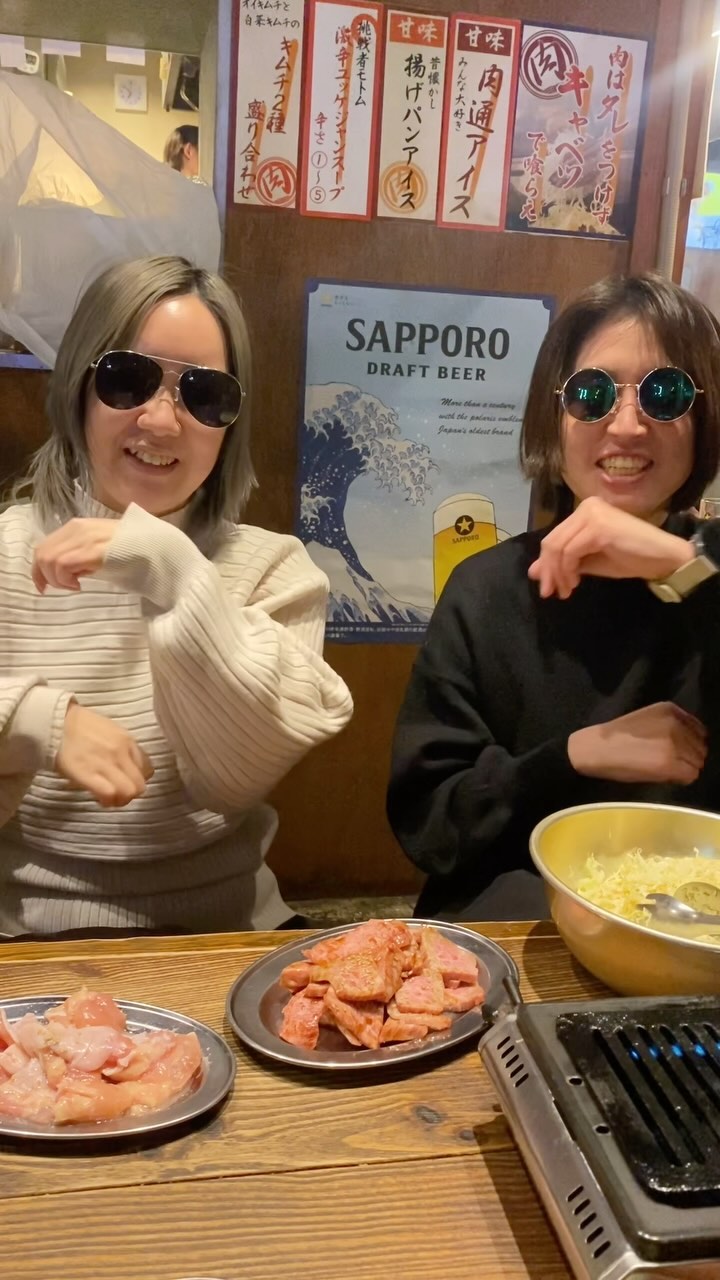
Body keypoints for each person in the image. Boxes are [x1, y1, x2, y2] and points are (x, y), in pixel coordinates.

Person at [0, 255, 353, 936]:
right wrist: (35, 720)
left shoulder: (275, 570)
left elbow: (235, 775)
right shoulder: (8, 548)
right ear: (78, 387)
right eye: (127, 379)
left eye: (204, 394)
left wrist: (170, 566)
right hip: (25, 935)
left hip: (225, 930)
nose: (162, 422)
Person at [387, 272, 720, 922]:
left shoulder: (711, 571)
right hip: (514, 928)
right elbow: (430, 823)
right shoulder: (488, 588)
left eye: (665, 394)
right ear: (555, 415)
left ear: (703, 417)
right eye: (593, 395)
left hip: (692, 936)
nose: (628, 426)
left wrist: (683, 567)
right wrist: (574, 757)